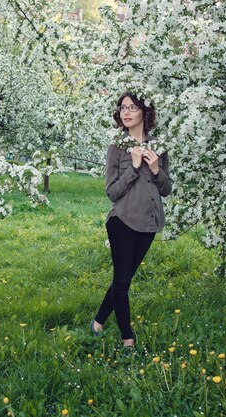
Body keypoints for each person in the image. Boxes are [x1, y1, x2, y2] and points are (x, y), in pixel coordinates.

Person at [90, 92, 172, 347]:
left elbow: (166, 189)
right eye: (122, 107)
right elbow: (112, 192)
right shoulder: (117, 147)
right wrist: (134, 167)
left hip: (149, 222)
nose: (125, 112)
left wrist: (156, 169)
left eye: (132, 107)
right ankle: (128, 338)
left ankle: (98, 322)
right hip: (122, 220)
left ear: (144, 112)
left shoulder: (159, 146)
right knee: (123, 281)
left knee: (123, 278)